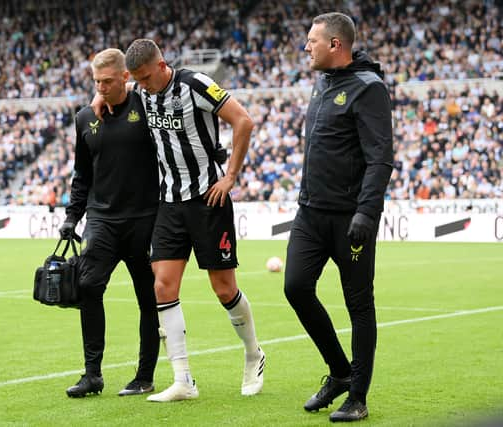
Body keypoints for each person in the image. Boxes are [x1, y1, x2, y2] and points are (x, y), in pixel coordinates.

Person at [94, 38, 265, 402]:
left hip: (208, 197)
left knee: (223, 289)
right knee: (163, 287)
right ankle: (183, 379)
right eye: (135, 80)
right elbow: (115, 92)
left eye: (145, 77)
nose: (141, 85)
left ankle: (253, 354)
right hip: (169, 203)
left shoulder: (196, 84)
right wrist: (99, 97)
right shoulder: (141, 92)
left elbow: (243, 121)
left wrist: (230, 176)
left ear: (161, 65)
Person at [283, 13, 393, 422]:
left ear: (335, 45)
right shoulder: (322, 83)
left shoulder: (369, 88)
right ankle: (341, 373)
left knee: (359, 305)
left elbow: (381, 157)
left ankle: (358, 396)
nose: (306, 46)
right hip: (309, 213)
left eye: (312, 40)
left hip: (351, 220)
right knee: (295, 287)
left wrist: (367, 211)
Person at [59, 48, 160, 399]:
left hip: (145, 218)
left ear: (125, 78)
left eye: (107, 81)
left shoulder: (146, 107)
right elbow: (81, 173)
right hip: (102, 218)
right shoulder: (85, 117)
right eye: (96, 82)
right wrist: (72, 217)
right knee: (88, 286)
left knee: (148, 298)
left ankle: (145, 375)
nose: (101, 87)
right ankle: (92, 375)